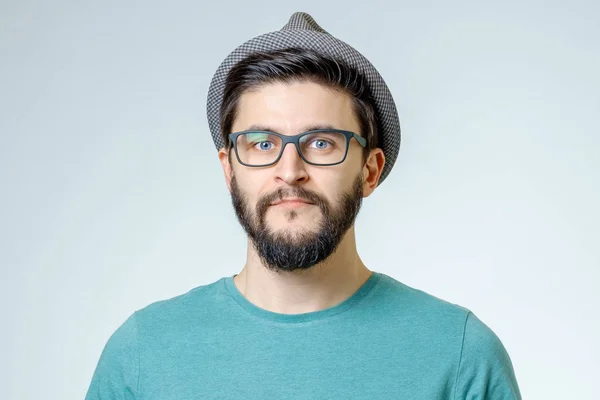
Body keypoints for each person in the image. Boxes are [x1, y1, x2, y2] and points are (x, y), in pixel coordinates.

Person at [85, 12, 521, 399]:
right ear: (229, 169)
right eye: (261, 143)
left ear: (369, 170)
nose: (289, 170)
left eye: (321, 142)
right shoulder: (143, 354)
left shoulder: (460, 355)